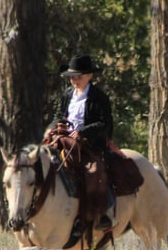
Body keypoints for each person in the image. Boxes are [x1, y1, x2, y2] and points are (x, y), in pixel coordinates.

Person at [46, 53, 117, 231]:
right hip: (65, 138)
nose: (75, 80)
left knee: (94, 171)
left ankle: (102, 213)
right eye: (72, 77)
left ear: (90, 76)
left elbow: (104, 124)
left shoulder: (99, 97)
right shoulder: (67, 94)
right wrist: (51, 128)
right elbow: (59, 116)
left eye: (79, 77)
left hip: (90, 143)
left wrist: (83, 132)